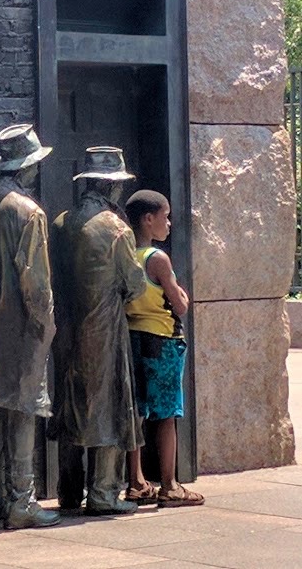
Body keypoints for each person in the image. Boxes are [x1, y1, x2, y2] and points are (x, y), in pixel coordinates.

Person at [0, 125, 60, 530]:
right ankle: (21, 500)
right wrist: (47, 326)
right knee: (22, 411)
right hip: (19, 326)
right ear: (29, 168)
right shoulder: (29, 212)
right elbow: (36, 283)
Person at [50, 147, 146, 516]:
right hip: (104, 330)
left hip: (68, 330)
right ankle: (103, 493)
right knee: (108, 406)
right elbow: (135, 284)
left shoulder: (61, 223)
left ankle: (69, 491)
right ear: (108, 185)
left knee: (71, 404)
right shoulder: (116, 229)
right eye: (118, 185)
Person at [124, 190, 204, 508]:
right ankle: (169, 485)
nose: (169, 223)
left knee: (138, 411)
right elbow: (180, 304)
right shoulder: (156, 259)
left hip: (134, 340)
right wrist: (180, 292)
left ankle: (136, 482)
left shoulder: (124, 254)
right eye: (165, 216)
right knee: (167, 414)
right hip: (163, 341)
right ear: (149, 219)